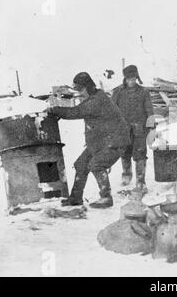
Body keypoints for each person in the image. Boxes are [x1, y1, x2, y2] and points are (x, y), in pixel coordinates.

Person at [46, 72, 131, 209]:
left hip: (115, 142)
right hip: (102, 142)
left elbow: (75, 112)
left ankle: (106, 197)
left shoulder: (97, 101)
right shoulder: (95, 98)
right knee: (81, 164)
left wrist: (55, 110)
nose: (80, 93)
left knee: (96, 165)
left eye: (81, 89)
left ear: (89, 87)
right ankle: (75, 198)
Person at [112, 65, 154, 194]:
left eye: (134, 78)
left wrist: (152, 128)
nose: (132, 81)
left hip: (139, 129)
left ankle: (141, 181)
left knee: (140, 154)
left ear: (137, 77)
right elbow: (112, 111)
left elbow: (149, 110)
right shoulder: (118, 92)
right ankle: (126, 174)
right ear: (125, 78)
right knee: (124, 153)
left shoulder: (143, 92)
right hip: (123, 129)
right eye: (129, 79)